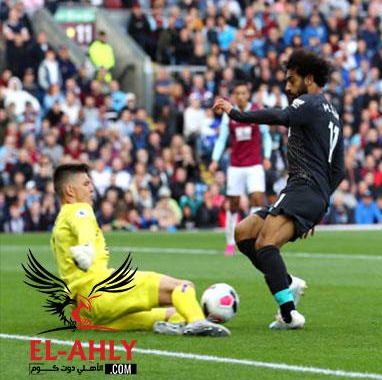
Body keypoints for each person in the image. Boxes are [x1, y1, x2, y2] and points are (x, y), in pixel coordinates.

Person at [213, 48, 345, 330]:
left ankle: (289, 314)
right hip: (307, 191)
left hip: (304, 188)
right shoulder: (332, 113)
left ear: (309, 79)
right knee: (244, 232)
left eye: (291, 79)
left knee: (265, 245)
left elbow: (278, 115)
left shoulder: (308, 102)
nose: (286, 86)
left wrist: (236, 113)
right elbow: (339, 170)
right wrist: (320, 204)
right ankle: (287, 284)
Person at [48, 163, 230, 336]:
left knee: (174, 312)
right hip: (102, 290)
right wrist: (87, 247)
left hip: (83, 310)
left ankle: (175, 323)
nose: (91, 189)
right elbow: (84, 227)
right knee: (182, 287)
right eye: (86, 184)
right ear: (70, 190)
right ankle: (198, 321)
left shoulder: (59, 225)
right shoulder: (80, 210)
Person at [209, 81, 272, 256]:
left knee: (258, 199)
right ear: (234, 95)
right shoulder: (229, 113)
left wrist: (267, 156)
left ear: (248, 94)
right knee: (234, 204)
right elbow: (222, 139)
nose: (241, 96)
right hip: (236, 165)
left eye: (244, 93)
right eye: (238, 93)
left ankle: (252, 237)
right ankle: (230, 241)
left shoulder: (257, 110)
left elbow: (266, 136)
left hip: (254, 164)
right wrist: (215, 159)